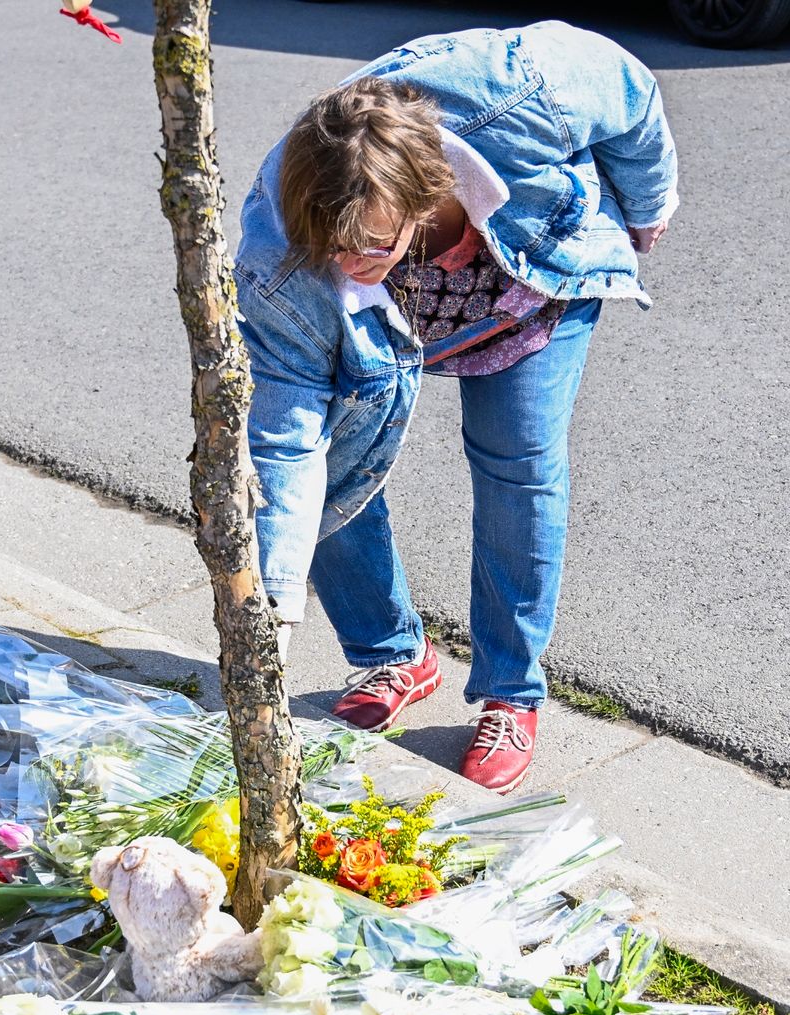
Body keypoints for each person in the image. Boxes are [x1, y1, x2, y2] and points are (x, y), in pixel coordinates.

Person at [236, 22, 678, 794]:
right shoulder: (280, 254)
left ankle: (511, 692)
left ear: (421, 189)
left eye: (370, 243)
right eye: (332, 247)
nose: (348, 263)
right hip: (402, 329)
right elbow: (286, 436)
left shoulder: (518, 90)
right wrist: (273, 596)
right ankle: (392, 653)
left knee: (517, 464)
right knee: (334, 463)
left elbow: (629, 86)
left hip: (534, 283)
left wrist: (647, 203)